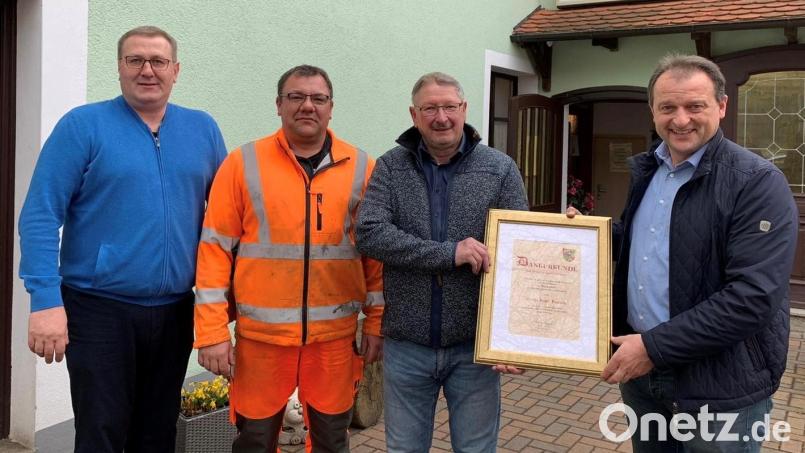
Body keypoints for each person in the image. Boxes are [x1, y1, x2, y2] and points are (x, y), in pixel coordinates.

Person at [19, 26, 227, 452]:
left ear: (176, 70)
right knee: (102, 432)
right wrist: (44, 301)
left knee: (158, 433)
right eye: (135, 60)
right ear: (119, 68)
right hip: (99, 310)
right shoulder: (83, 126)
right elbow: (40, 216)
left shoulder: (202, 129)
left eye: (158, 61)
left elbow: (226, 222)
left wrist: (224, 304)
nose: (147, 70)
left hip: (174, 310)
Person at [600, 54, 798, 451]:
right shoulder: (648, 172)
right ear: (653, 111)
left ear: (722, 107)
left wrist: (653, 348)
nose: (681, 119)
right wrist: (582, 237)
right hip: (644, 379)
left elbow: (752, 298)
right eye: (668, 107)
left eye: (695, 106)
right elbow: (650, 244)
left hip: (720, 385)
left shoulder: (757, 183)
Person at [194, 64, 384, 452]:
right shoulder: (242, 164)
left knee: (332, 441)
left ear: (332, 108)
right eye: (296, 97)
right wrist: (212, 333)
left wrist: (378, 323)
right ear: (278, 105)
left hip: (334, 343)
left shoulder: (363, 168)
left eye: (318, 98)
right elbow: (214, 251)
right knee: (255, 441)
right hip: (261, 343)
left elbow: (376, 259)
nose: (307, 106)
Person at [356, 72, 528, 452]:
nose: (441, 117)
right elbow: (368, 232)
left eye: (449, 106)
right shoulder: (391, 166)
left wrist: (513, 339)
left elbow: (522, 252)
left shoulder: (499, 169)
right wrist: (450, 254)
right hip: (407, 346)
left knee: (476, 449)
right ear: (414, 114)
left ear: (464, 109)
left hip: (474, 349)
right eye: (430, 108)